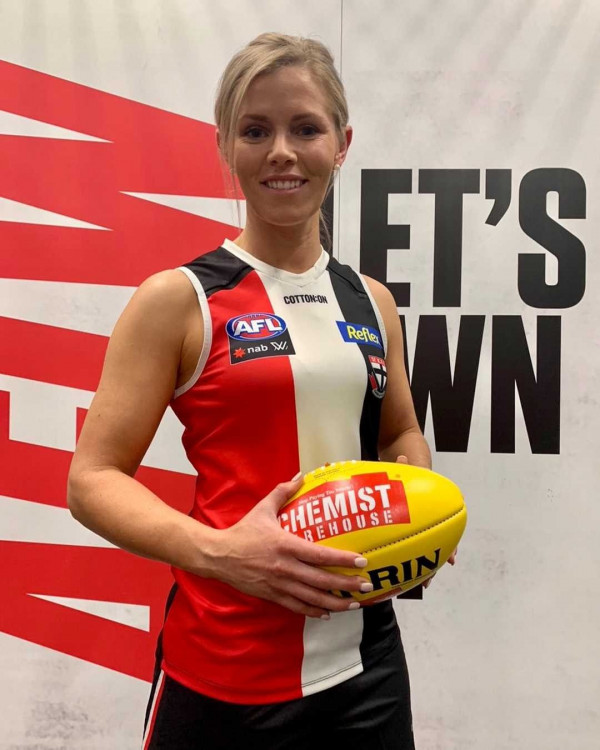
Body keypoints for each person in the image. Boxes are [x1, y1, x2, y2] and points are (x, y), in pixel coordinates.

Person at [68, 32, 444, 750]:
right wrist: (221, 554)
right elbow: (91, 480)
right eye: (255, 131)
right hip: (222, 674)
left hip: (365, 669)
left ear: (342, 144)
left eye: (306, 128)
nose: (281, 152)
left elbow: (399, 431)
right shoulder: (177, 300)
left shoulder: (372, 302)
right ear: (225, 146)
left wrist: (417, 506)